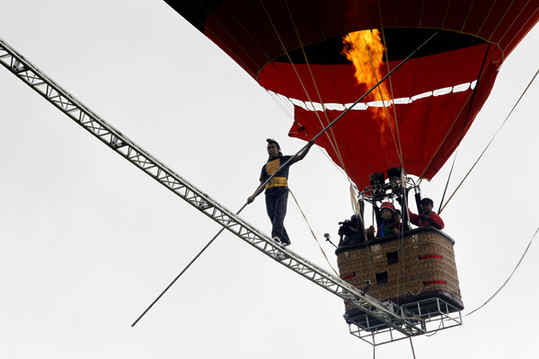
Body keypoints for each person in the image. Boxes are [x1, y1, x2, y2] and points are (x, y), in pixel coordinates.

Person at [247, 139, 313, 246]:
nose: (271, 149)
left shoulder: (284, 160)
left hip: (281, 189)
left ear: (278, 149)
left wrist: (309, 146)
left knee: (279, 213)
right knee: (272, 216)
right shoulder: (265, 167)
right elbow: (262, 184)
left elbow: (300, 157)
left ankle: (276, 236)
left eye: (273, 147)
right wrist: (253, 196)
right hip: (269, 192)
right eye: (269, 148)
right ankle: (285, 239)